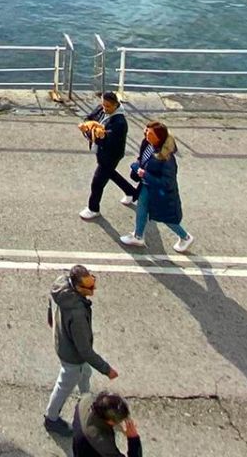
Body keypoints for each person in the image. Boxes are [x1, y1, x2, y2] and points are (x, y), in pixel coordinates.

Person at [43, 264, 116, 436]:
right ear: (76, 286)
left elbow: (51, 306)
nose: (93, 289)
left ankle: (87, 401)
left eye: (93, 282)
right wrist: (107, 370)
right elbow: (85, 351)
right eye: (89, 287)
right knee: (64, 385)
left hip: (63, 341)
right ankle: (51, 418)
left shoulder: (62, 286)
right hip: (72, 356)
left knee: (85, 373)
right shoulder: (77, 315)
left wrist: (52, 322)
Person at [120, 121, 192, 253]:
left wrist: (145, 174)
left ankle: (185, 237)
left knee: (165, 217)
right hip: (147, 186)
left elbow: (167, 182)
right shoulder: (147, 143)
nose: (146, 134)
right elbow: (143, 158)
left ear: (159, 137)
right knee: (141, 209)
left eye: (150, 133)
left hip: (161, 193)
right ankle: (138, 236)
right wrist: (138, 165)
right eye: (146, 130)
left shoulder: (167, 158)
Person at [78, 91, 136, 219]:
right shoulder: (102, 108)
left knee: (97, 183)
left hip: (111, 154)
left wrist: (93, 133)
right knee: (110, 173)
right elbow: (89, 118)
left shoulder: (120, 123)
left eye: (108, 107)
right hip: (102, 151)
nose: (104, 109)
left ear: (116, 105)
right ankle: (131, 192)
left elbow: (106, 141)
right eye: (103, 105)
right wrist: (88, 126)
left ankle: (93, 209)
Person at [75, 392, 142, 457]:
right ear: (110, 421)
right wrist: (133, 439)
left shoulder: (86, 399)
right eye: (120, 420)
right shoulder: (104, 444)